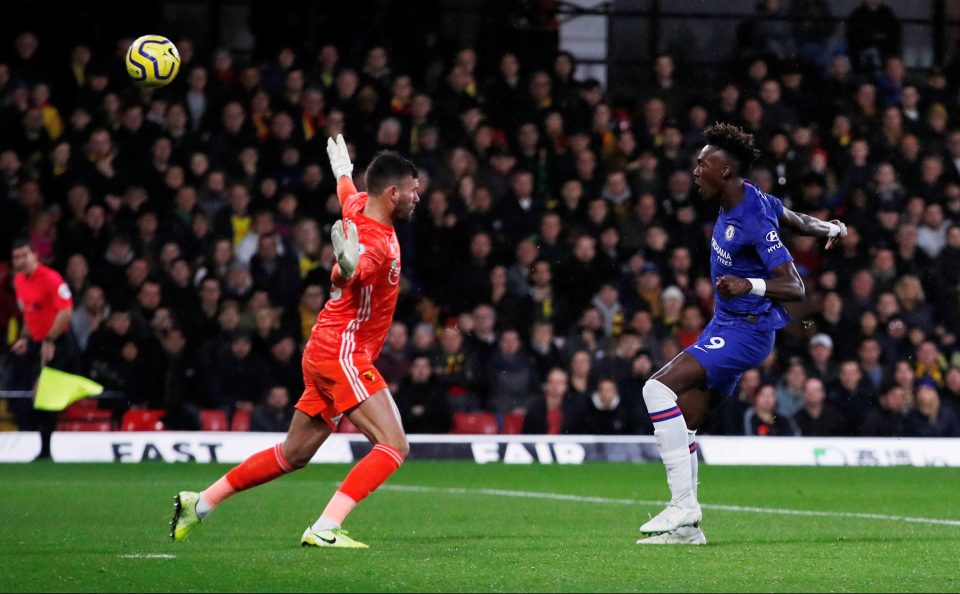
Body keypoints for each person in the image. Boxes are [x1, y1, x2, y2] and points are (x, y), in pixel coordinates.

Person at [171, 135, 420, 549]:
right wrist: (344, 267)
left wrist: (342, 171)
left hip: (324, 348)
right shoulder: (373, 243)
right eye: (413, 190)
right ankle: (325, 527)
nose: (417, 197)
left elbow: (347, 195)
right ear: (392, 193)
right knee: (393, 444)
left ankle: (200, 503)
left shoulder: (360, 207)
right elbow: (349, 274)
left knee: (293, 454)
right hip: (344, 350)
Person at [636, 123, 847, 546]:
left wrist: (748, 284)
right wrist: (831, 229)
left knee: (656, 390)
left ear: (726, 172)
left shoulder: (750, 217)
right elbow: (794, 219)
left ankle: (683, 506)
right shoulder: (753, 196)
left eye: (703, 164)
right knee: (688, 419)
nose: (695, 171)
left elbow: (796, 286)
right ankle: (686, 531)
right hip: (728, 325)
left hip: (745, 332)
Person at [4, 239, 75, 460]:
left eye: (25, 255)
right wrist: (24, 337)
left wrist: (50, 340)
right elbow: (30, 313)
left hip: (58, 342)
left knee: (44, 393)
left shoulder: (51, 279)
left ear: (35, 255)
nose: (21, 261)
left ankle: (45, 449)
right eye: (17, 257)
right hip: (36, 342)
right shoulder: (18, 281)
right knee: (23, 386)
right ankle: (38, 442)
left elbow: (66, 312)